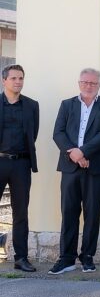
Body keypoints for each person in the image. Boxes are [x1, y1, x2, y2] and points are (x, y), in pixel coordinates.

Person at [50, 68, 100, 274]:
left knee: (92, 213)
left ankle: (87, 256)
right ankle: (66, 258)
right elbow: (58, 133)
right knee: (68, 212)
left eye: (93, 83)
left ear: (99, 85)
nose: (89, 86)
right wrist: (75, 154)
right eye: (85, 82)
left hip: (96, 166)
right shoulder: (67, 105)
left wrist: (84, 153)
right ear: (79, 83)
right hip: (70, 166)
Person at [0, 65, 39, 272]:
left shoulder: (32, 106)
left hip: (22, 164)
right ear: (4, 80)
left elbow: (33, 135)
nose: (18, 81)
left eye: (21, 78)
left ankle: (21, 258)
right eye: (14, 78)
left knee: (21, 212)